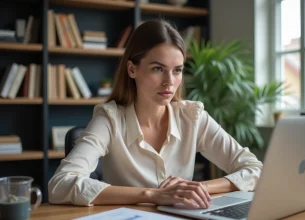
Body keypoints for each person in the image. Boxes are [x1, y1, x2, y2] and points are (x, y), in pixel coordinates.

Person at [48, 20, 263, 209]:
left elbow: (255, 169)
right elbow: (60, 184)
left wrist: (196, 188)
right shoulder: (110, 119)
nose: (170, 81)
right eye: (158, 69)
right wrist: (152, 195)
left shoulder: (192, 116)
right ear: (132, 70)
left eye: (177, 70)